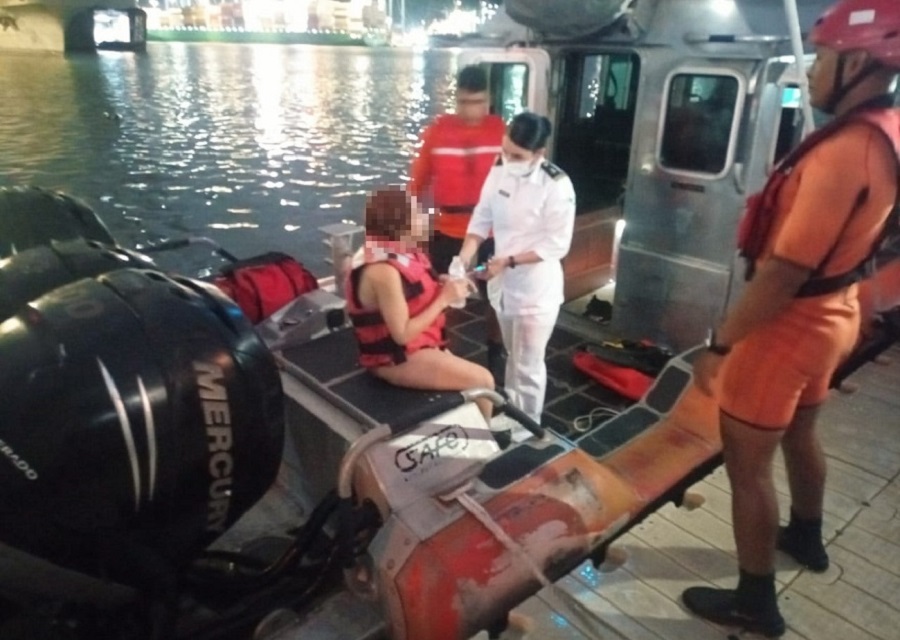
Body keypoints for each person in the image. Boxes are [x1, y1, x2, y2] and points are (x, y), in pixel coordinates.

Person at [681, 0, 900, 636]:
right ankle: (806, 535)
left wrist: (721, 345)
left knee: (747, 466)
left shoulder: (846, 151)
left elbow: (783, 273)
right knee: (802, 431)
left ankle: (755, 602)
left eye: (825, 57)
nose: (815, 69)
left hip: (787, 330)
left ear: (858, 63)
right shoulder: (887, 130)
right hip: (835, 316)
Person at [457, 112, 576, 425]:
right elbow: (482, 216)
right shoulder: (500, 169)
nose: (509, 160)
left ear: (539, 154)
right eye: (505, 151)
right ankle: (514, 413)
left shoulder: (556, 185)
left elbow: (557, 245)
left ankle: (527, 424)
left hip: (535, 290)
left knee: (529, 364)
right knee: (514, 356)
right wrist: (464, 256)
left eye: (518, 156)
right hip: (504, 287)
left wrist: (509, 261)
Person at [345, 187, 495, 422]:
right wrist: (443, 299)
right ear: (399, 225)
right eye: (417, 215)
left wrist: (441, 283)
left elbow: (413, 289)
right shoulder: (382, 271)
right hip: (393, 359)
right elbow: (402, 335)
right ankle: (488, 439)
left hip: (421, 345)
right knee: (483, 381)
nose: (425, 219)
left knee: (468, 376)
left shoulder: (403, 251)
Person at [408, 65, 508, 378]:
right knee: (442, 294)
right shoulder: (437, 131)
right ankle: (442, 350)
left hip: (493, 231)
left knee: (496, 299)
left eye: (478, 102)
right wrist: (410, 225)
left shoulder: (502, 131)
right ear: (456, 99)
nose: (471, 110)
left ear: (488, 100)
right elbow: (418, 182)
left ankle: (496, 352)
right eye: (464, 102)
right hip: (448, 228)